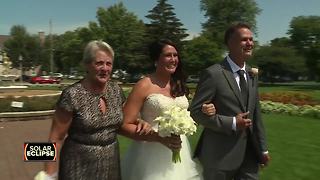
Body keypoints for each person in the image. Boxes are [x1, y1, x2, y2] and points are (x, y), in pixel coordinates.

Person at [39, 40, 148, 180]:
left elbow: (122, 121)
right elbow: (55, 138)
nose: (105, 68)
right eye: (99, 63)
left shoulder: (116, 90)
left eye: (108, 64)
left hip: (111, 165)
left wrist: (140, 122)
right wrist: (49, 175)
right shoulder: (71, 95)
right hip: (77, 166)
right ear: (87, 65)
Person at [120, 39, 213, 180]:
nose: (173, 59)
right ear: (156, 59)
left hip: (180, 152)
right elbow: (124, 125)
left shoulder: (178, 84)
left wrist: (203, 111)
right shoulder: (144, 85)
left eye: (175, 55)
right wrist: (157, 137)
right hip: (150, 156)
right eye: (168, 55)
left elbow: (188, 117)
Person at [189, 23, 270, 180]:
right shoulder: (213, 74)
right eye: (244, 40)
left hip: (250, 155)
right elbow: (196, 112)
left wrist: (263, 148)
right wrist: (232, 122)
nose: (250, 43)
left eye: (251, 39)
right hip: (220, 156)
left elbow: (256, 114)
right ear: (230, 43)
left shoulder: (252, 74)